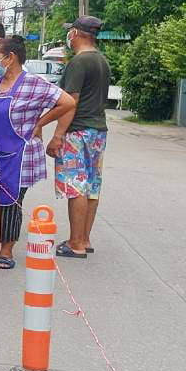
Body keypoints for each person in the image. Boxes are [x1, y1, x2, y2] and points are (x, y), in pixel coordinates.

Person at [0, 35, 76, 269]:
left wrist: (41, 123)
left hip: (19, 156)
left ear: (10, 58)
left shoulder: (33, 83)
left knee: (12, 202)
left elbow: (67, 102)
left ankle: (6, 251)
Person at [52, 15, 112, 258]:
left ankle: (75, 243)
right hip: (98, 130)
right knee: (91, 185)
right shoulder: (101, 60)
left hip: (77, 131)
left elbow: (70, 102)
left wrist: (57, 135)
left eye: (70, 31)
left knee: (76, 185)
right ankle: (84, 239)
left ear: (75, 33)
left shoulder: (79, 62)